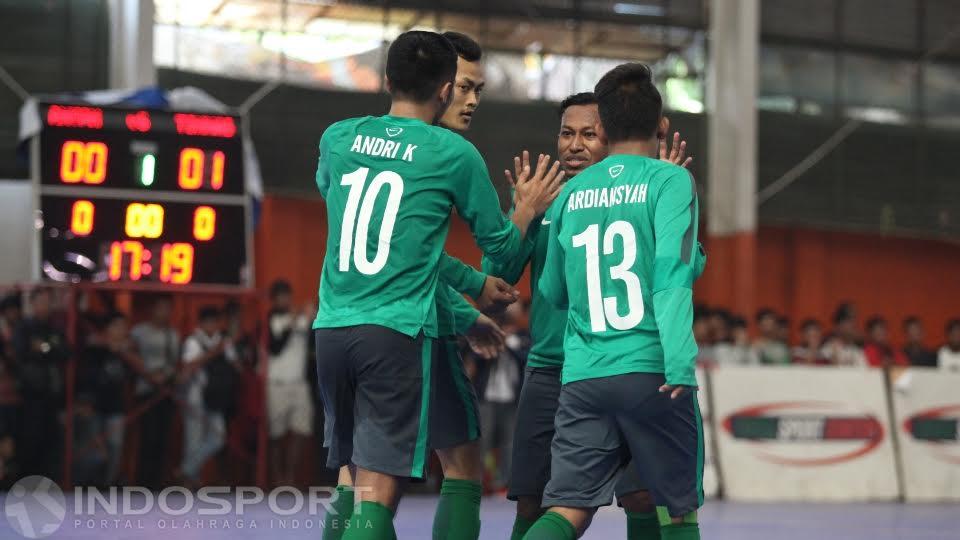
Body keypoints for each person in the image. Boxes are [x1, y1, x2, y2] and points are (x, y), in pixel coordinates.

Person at [312, 30, 561, 540]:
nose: (471, 101)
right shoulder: (451, 154)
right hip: (403, 331)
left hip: (335, 327)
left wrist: (469, 297)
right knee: (377, 486)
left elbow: (396, 246)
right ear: (444, 87)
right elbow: (499, 255)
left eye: (480, 91)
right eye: (464, 87)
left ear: (388, 78)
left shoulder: (339, 137)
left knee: (373, 470)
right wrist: (527, 213)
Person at [482, 90, 697, 540]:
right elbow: (495, 282)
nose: (574, 145)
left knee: (637, 497)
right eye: (566, 133)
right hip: (556, 368)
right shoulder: (546, 198)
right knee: (533, 498)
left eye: (589, 134)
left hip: (595, 370)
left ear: (612, 135)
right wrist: (523, 213)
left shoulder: (639, 190)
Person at [76, 311, 147, 485]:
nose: (121, 330)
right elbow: (84, 376)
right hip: (95, 406)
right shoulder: (94, 348)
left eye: (124, 327)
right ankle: (87, 485)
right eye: (117, 326)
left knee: (115, 446)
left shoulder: (127, 349)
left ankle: (108, 484)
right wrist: (84, 401)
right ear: (107, 329)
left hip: (117, 406)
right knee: (95, 449)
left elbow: (141, 368)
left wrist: (123, 351)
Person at [12, 288, 69, 480]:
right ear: (33, 303)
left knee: (50, 441)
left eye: (47, 301)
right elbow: (21, 352)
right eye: (41, 301)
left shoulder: (54, 328)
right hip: (30, 394)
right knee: (30, 440)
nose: (44, 306)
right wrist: (48, 349)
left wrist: (43, 348)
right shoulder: (24, 327)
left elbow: (65, 352)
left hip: (52, 395)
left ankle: (45, 484)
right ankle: (24, 483)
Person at [176, 306, 237, 488]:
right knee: (193, 439)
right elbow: (188, 366)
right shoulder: (193, 341)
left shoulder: (224, 341)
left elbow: (234, 364)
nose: (211, 326)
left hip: (216, 396)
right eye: (208, 322)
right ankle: (190, 480)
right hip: (195, 395)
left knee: (218, 438)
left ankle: (186, 469)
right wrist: (213, 352)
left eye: (214, 322)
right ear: (201, 324)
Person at [266, 280, 314, 487]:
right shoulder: (271, 319)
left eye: (287, 295)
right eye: (280, 296)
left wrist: (311, 318)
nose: (285, 300)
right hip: (276, 384)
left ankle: (290, 477)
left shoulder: (301, 319)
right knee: (275, 434)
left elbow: (314, 340)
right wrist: (293, 320)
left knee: (302, 429)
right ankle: (277, 479)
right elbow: (275, 347)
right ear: (274, 299)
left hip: (299, 384)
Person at [130, 295, 180, 489]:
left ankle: (158, 485)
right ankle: (142, 483)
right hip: (145, 390)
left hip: (166, 391)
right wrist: (149, 375)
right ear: (153, 309)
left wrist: (167, 376)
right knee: (147, 438)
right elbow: (131, 355)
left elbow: (176, 362)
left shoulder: (173, 335)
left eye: (168, 308)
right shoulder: (139, 332)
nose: (164, 313)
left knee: (163, 439)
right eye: (161, 308)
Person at [822, 303, 866, 367]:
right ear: (839, 325)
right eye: (849, 321)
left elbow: (866, 373)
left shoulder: (857, 350)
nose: (853, 326)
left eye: (854, 321)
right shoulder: (827, 347)